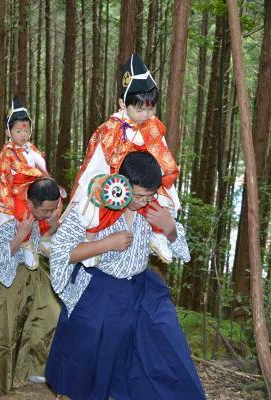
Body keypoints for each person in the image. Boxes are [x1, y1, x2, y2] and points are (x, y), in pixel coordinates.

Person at [46, 152, 205, 400]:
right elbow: (61, 251)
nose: (143, 202)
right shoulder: (94, 205)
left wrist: (169, 227)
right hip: (101, 289)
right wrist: (106, 243)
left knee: (165, 346)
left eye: (149, 196)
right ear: (122, 183)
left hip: (142, 289)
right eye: (138, 196)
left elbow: (182, 252)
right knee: (94, 359)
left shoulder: (154, 208)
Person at [62, 53, 181, 264]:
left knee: (161, 200)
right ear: (122, 103)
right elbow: (96, 160)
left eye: (151, 108)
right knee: (96, 207)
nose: (146, 115)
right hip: (114, 183)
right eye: (139, 109)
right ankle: (90, 243)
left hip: (144, 182)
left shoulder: (153, 127)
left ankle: (159, 236)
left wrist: (161, 178)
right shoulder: (111, 128)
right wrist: (95, 184)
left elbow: (163, 156)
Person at [0, 178, 62, 395]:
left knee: (49, 315)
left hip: (32, 275)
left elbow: (41, 247)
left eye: (54, 209)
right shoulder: (8, 218)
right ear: (30, 204)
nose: (50, 214)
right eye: (46, 210)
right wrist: (20, 236)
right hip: (7, 277)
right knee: (4, 327)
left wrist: (52, 229)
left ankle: (34, 365)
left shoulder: (41, 218)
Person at [0, 95, 61, 250]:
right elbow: (1, 175)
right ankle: (25, 242)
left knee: (52, 204)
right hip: (15, 192)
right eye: (18, 130)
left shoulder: (32, 148)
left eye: (26, 130)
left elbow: (43, 170)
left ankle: (45, 236)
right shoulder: (7, 152)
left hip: (36, 189)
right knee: (23, 213)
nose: (23, 134)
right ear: (9, 132)